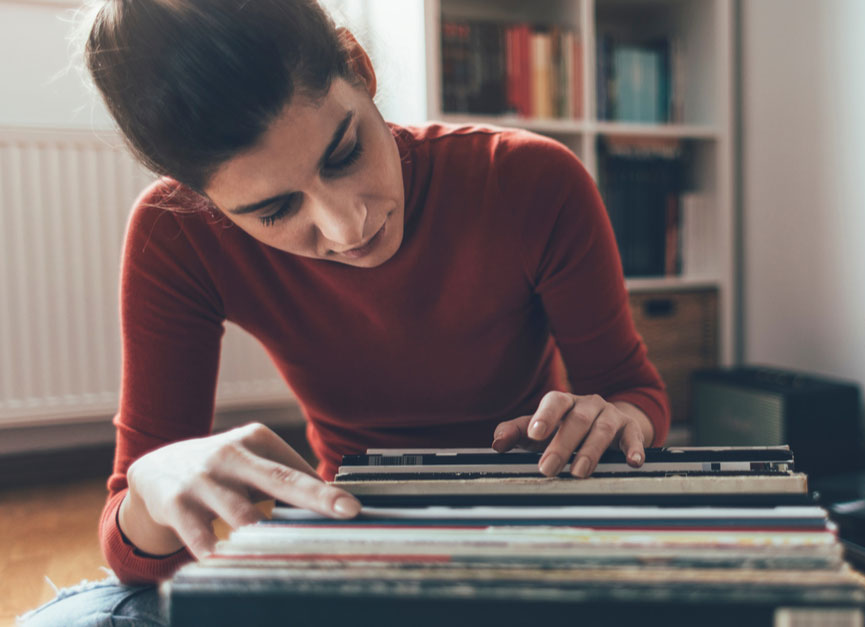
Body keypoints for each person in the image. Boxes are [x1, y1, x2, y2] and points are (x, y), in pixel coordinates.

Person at [19, 0, 668, 624]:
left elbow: (633, 391)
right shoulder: (176, 235)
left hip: (530, 525)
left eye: (345, 152)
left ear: (358, 66)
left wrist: (617, 415)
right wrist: (154, 480)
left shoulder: (531, 179)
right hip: (351, 533)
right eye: (275, 210)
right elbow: (137, 558)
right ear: (204, 201)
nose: (346, 222)